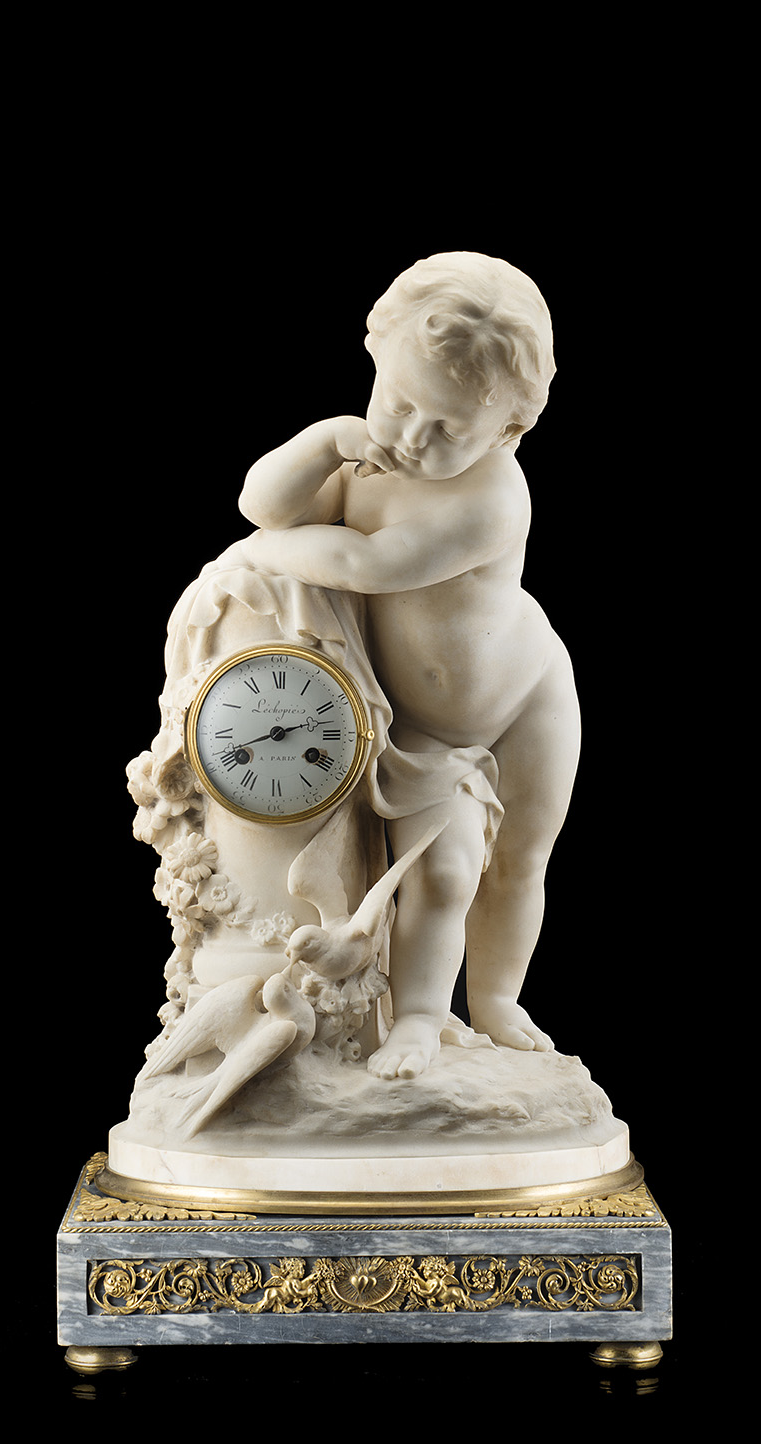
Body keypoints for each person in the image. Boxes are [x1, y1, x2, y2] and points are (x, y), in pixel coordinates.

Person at [234, 252, 581, 1081]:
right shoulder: (359, 455)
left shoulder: (492, 499)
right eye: (397, 403)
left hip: (528, 698)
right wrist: (325, 443)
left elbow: (370, 566)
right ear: (374, 353)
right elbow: (261, 501)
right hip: (423, 727)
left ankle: (496, 998)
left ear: (507, 432)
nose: (410, 439)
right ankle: (423, 1017)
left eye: (449, 430)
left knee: (520, 862)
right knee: (447, 871)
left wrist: (262, 551)